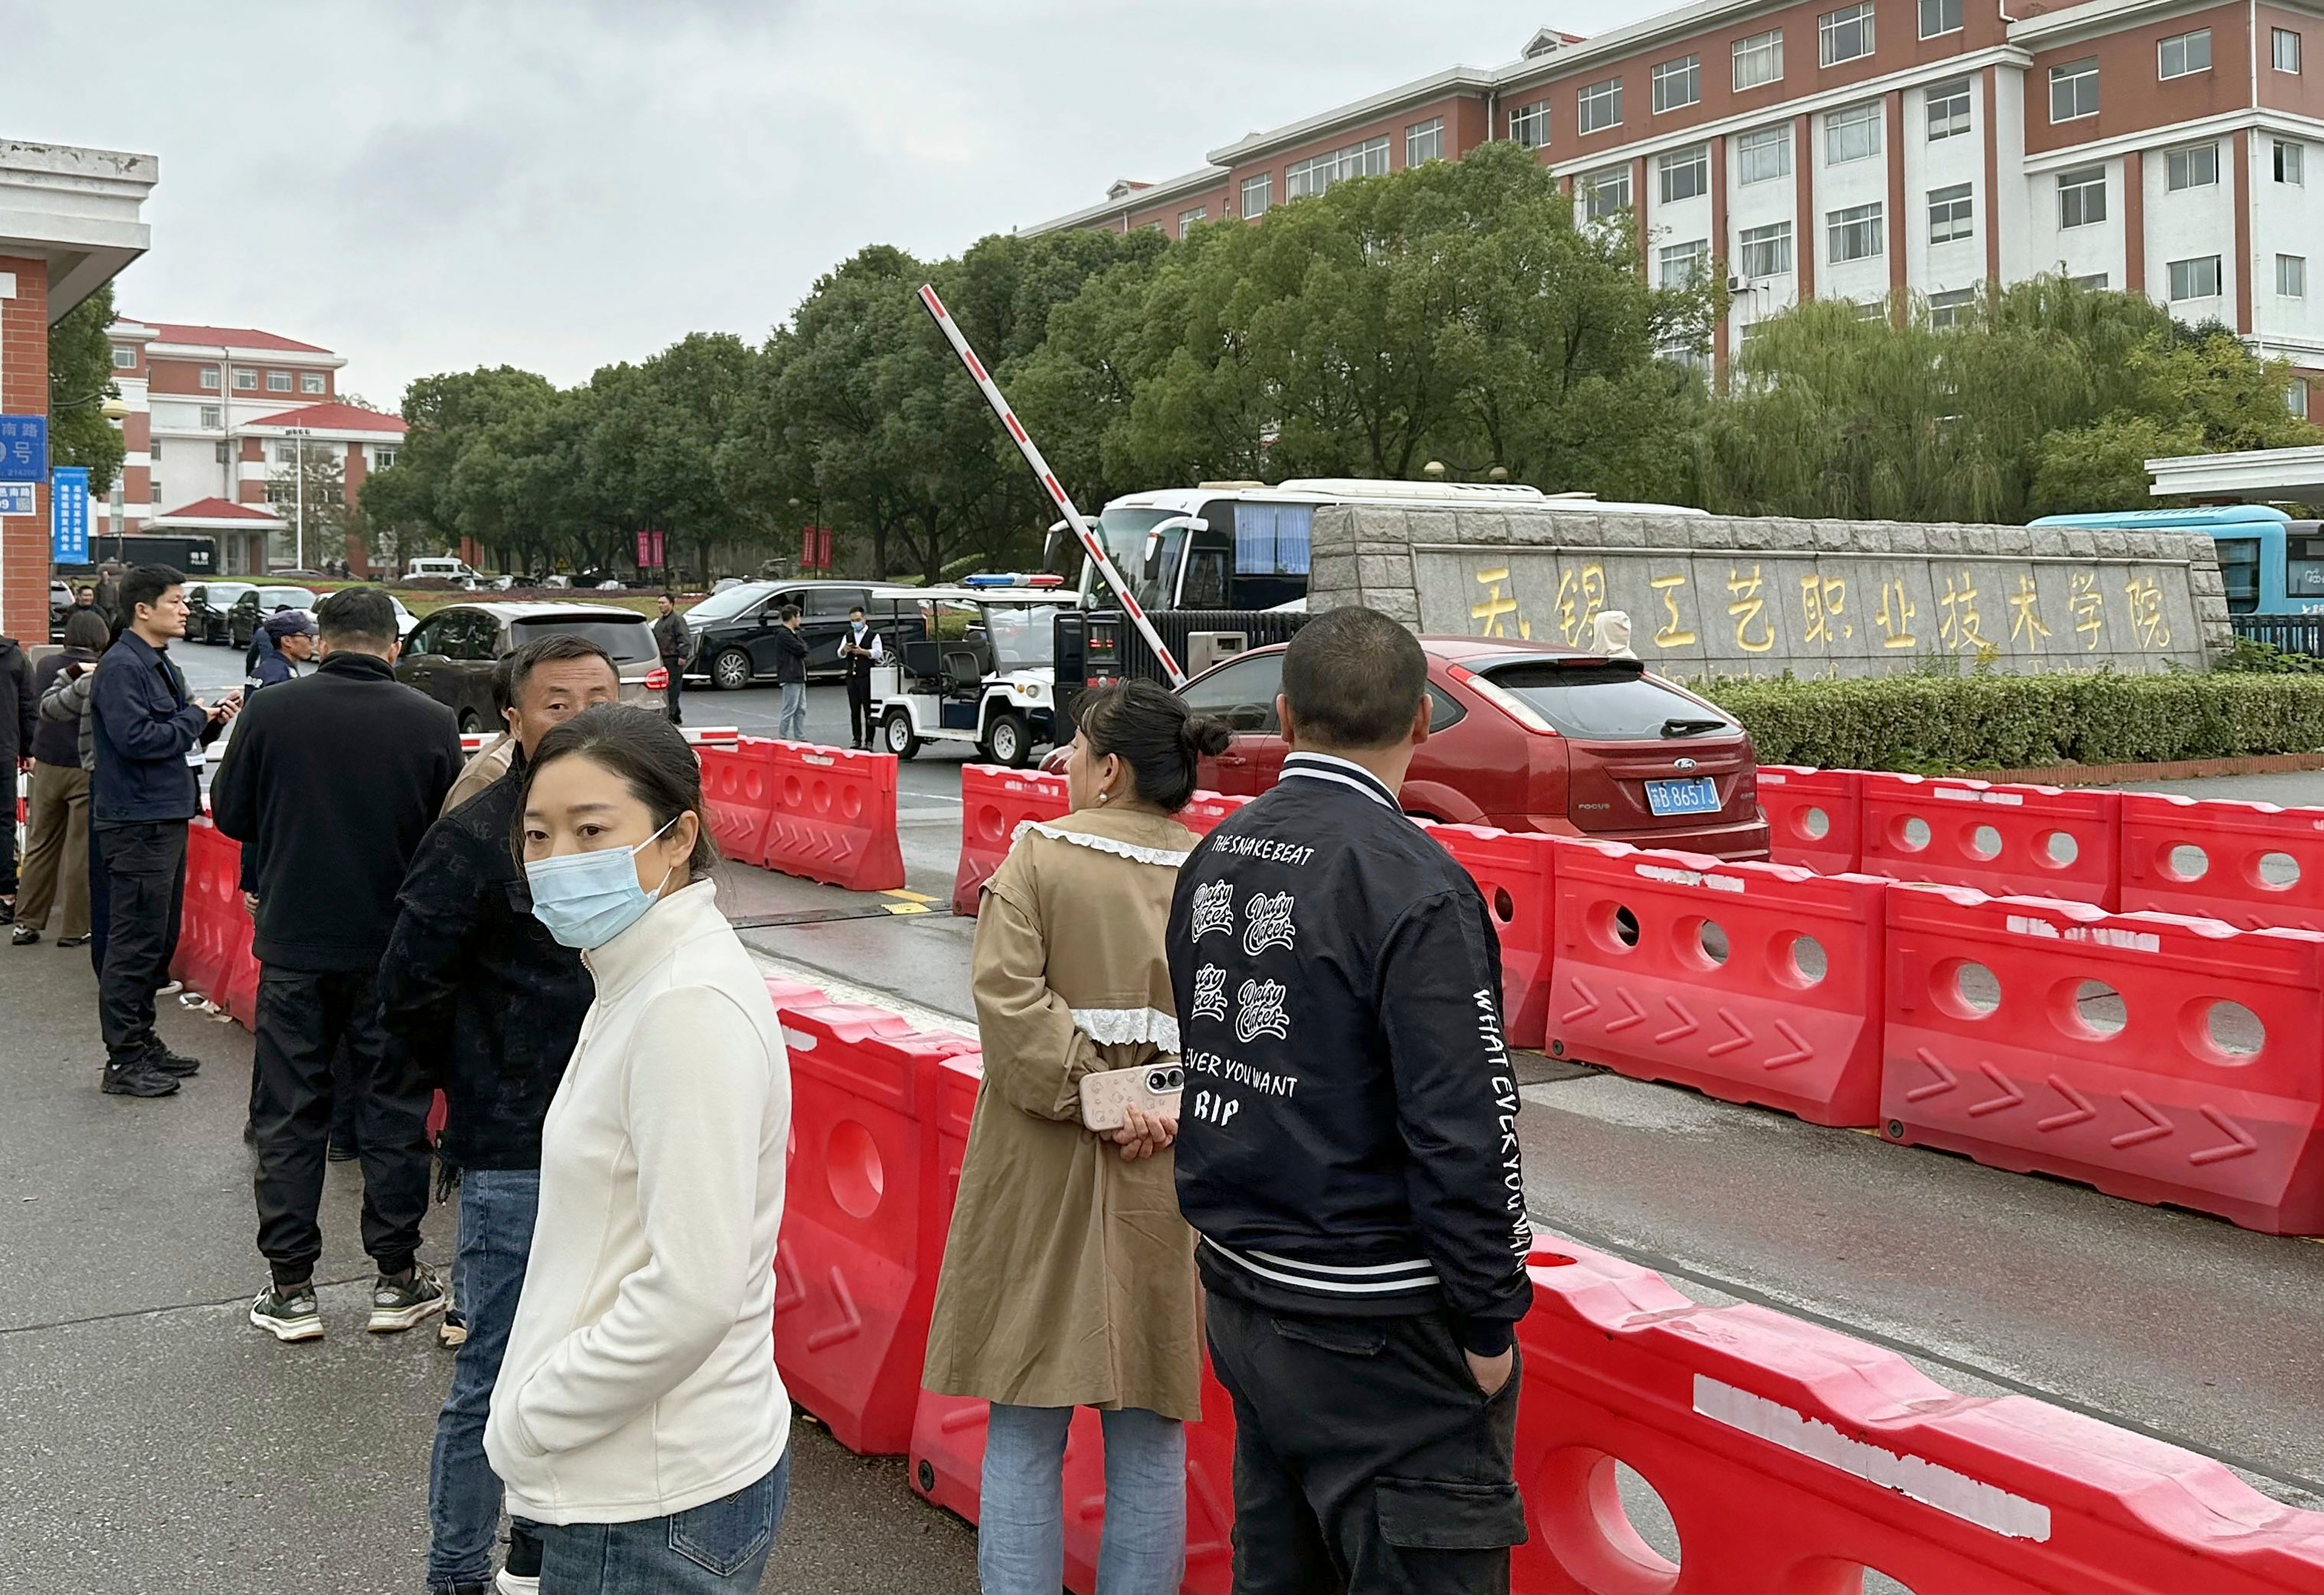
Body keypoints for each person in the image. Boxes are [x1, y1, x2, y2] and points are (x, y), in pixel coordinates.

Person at [1168, 606, 1535, 1595]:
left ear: (1285, 716)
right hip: (1377, 1326)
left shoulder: (1219, 853)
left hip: (1247, 1296)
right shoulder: (1417, 884)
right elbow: (1467, 1126)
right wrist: (1489, 1320)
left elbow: (1210, 1058)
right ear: (1424, 719)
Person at [923, 679, 1229, 1595]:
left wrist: (1102, 1092)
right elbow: (1246, 1039)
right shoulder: (1216, 873)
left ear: (1109, 768)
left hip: (1039, 1164)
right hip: (1168, 1169)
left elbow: (1010, 1007)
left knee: (1023, 1424)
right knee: (1150, 1427)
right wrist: (1160, 1099)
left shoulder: (1038, 858)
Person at [485, 706, 793, 1595]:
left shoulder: (682, 1004)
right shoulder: (635, 972)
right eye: (538, 835)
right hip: (640, 1470)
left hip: (646, 1499)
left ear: (676, 837)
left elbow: (692, 1291)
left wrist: (529, 1421)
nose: (557, 860)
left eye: (593, 830)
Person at [377, 634, 620, 1595]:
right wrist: (488, 1073)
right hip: (518, 1144)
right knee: (500, 1366)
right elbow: (408, 988)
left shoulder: (645, 824)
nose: (589, 714)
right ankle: (456, 1568)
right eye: (561, 701)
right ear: (514, 720)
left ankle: (546, 1549)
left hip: (625, 1136)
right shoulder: (476, 835)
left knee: (597, 1368)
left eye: (605, 695)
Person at [211, 586, 463, 1343]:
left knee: (289, 1113)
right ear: (393, 647)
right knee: (393, 1110)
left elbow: (230, 815)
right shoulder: (432, 722)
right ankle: (396, 1278)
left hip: (293, 944)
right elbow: (445, 835)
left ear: (321, 640)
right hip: (392, 949)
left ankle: (291, 1289)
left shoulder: (270, 712)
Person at [90, 564, 238, 1098]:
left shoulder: (156, 663)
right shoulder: (122, 666)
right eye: (175, 601)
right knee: (133, 942)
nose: (184, 610)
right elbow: (136, 739)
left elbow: (171, 732)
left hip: (162, 815)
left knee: (158, 939)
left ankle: (143, 1038)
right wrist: (194, 719)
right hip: (137, 821)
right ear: (142, 609)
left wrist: (211, 719)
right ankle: (123, 1058)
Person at [13, 611, 109, 947]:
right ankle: (74, 928)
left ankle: (26, 922)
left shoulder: (47, 665)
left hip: (48, 764)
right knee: (80, 849)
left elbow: (41, 705)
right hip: (84, 768)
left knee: (41, 844)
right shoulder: (103, 671)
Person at [0, 624, 35, 924]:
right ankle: (5, 895)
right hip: (4, 749)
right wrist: (28, 749)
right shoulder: (14, 657)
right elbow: (28, 707)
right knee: (3, 821)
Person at [839, 603, 885, 750]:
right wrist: (845, 650)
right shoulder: (848, 635)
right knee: (854, 710)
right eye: (853, 621)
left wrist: (864, 652)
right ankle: (856, 739)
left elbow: (878, 653)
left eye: (858, 620)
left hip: (867, 676)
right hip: (852, 677)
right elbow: (839, 653)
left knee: (868, 710)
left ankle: (869, 741)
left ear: (865, 619)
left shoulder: (873, 635)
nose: (856, 623)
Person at [249, 609, 317, 690]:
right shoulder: (282, 678)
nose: (312, 643)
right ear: (287, 641)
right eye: (308, 637)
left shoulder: (263, 670)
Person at [652, 592, 691, 727]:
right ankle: (676, 716)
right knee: (668, 689)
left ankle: (670, 716)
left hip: (674, 659)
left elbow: (684, 639)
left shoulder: (677, 620)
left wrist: (683, 656)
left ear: (672, 604)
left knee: (672, 690)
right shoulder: (660, 622)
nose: (661, 606)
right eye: (659, 603)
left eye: (663, 603)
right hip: (664, 659)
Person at [773, 603, 809, 742]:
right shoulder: (784, 635)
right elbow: (802, 649)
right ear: (792, 618)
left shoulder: (794, 634)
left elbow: (804, 647)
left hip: (799, 676)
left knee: (801, 709)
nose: (800, 620)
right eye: (798, 616)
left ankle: (800, 737)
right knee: (790, 708)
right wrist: (803, 647)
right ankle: (782, 738)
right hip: (791, 675)